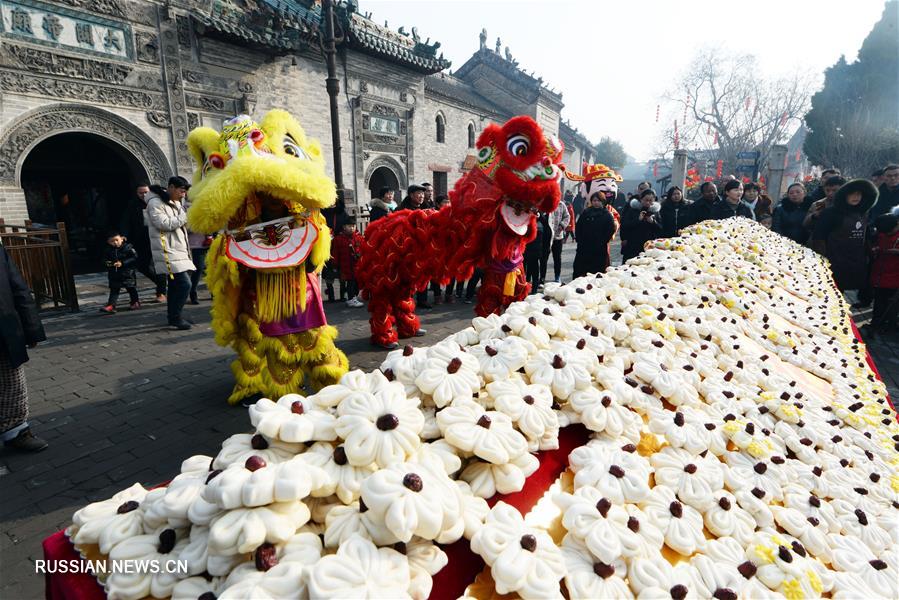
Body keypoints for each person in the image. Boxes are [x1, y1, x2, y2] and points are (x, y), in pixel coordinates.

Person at [0, 244, 48, 451]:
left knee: (12, 383)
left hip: (3, 329)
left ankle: (16, 431)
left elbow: (18, 287)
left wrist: (31, 328)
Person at [146, 177, 196, 330]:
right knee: (184, 284)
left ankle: (174, 316)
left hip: (179, 248)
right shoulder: (155, 203)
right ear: (172, 187)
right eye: (181, 191)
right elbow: (164, 224)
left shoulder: (176, 202)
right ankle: (175, 317)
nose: (183, 195)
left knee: (175, 286)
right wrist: (185, 215)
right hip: (167, 250)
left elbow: (180, 224)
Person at [811, 179, 878, 293]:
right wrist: (822, 260)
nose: (855, 197)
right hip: (834, 261)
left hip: (855, 260)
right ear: (844, 195)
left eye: (858, 194)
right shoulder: (831, 213)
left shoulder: (863, 213)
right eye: (852, 193)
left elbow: (865, 237)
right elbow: (818, 237)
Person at [120, 183, 167, 302]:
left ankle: (161, 292)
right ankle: (161, 283)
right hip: (141, 239)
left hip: (157, 238)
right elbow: (126, 220)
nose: (143, 195)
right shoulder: (133, 204)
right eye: (140, 192)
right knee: (142, 265)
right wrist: (124, 235)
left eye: (146, 192)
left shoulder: (158, 202)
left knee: (159, 265)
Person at [868, 213, 899, 334]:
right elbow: (875, 243)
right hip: (879, 273)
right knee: (879, 301)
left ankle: (887, 325)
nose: (887, 235)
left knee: (891, 304)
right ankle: (875, 323)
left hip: (894, 278)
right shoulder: (882, 231)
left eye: (890, 232)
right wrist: (875, 249)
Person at [572, 192, 616, 277]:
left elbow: (611, 230)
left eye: (598, 201)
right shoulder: (586, 212)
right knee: (580, 270)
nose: (596, 202)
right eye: (594, 200)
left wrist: (602, 241)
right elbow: (579, 226)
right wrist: (579, 239)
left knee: (596, 272)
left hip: (599, 248)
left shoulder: (607, 215)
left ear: (603, 202)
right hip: (584, 247)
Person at [99, 232, 140, 314]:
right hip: (114, 273)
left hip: (128, 272)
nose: (115, 243)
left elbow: (134, 257)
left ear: (122, 239)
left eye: (117, 240)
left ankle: (135, 302)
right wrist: (110, 264)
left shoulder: (128, 248)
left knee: (131, 288)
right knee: (114, 290)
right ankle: (111, 305)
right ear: (108, 242)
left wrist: (123, 263)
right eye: (112, 241)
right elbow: (103, 261)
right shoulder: (108, 250)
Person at [331, 217, 364, 307]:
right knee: (350, 282)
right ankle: (351, 299)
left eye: (353, 226)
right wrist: (335, 265)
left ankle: (354, 297)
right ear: (344, 227)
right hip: (345, 266)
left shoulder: (358, 237)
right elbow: (335, 253)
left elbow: (362, 250)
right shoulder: (338, 239)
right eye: (349, 226)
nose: (352, 228)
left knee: (356, 283)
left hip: (356, 265)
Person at [620, 189, 662, 261]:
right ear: (641, 199)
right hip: (633, 244)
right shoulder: (633, 210)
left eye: (650, 200)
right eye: (646, 200)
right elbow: (625, 225)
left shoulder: (655, 212)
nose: (648, 202)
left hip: (649, 245)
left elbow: (661, 228)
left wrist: (653, 222)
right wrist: (638, 220)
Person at [549, 197, 571, 283]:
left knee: (557, 258)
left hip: (558, 236)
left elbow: (567, 216)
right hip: (547, 236)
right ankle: (541, 278)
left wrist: (562, 225)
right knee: (543, 257)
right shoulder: (545, 203)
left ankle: (557, 276)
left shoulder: (561, 204)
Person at [524, 212, 547, 292]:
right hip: (525, 240)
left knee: (534, 266)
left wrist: (538, 215)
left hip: (536, 243)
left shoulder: (539, 213)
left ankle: (534, 288)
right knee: (524, 266)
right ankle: (525, 285)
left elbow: (545, 221)